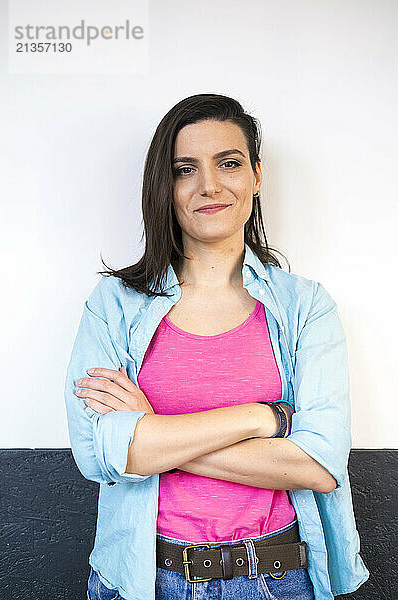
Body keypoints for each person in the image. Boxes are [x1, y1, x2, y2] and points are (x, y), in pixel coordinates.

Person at [64, 93, 370, 600]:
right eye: (186, 169)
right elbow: (100, 455)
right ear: (165, 187)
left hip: (278, 578)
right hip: (145, 578)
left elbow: (319, 466)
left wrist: (154, 439)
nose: (209, 185)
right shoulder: (113, 305)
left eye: (228, 163)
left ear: (255, 175)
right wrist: (260, 417)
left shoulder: (305, 307)